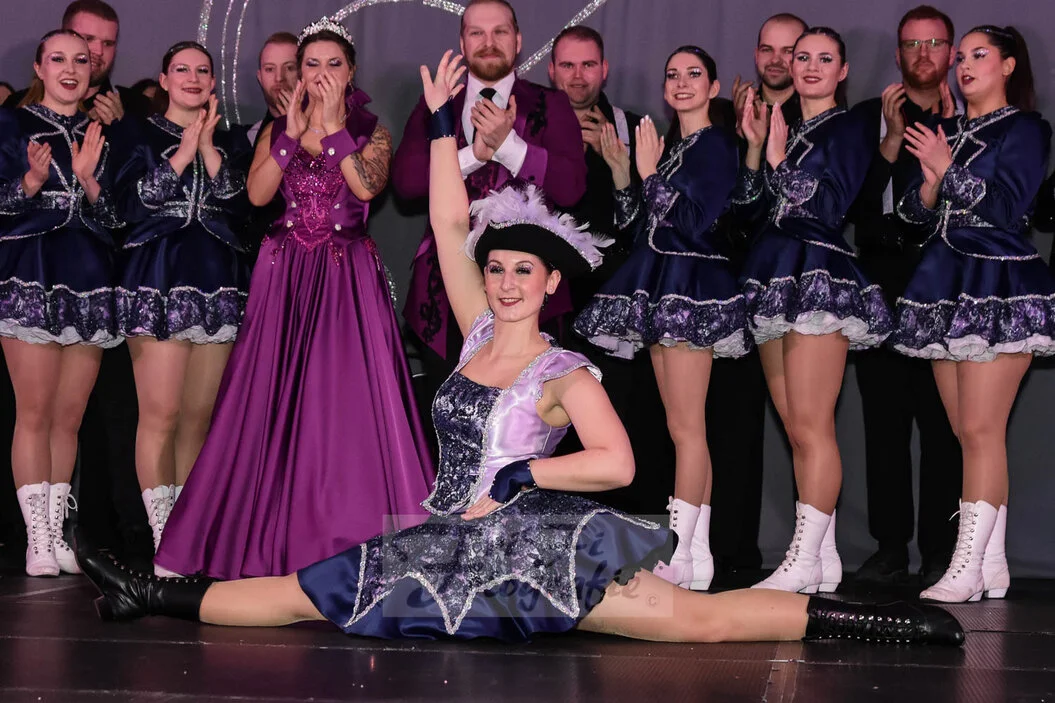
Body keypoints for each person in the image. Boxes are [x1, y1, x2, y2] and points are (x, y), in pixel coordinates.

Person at [75, 51, 964, 650]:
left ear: (547, 287)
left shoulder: (561, 371)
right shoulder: (473, 335)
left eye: (519, 274)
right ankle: (146, 591)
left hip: (537, 550)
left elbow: (616, 463)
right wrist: (439, 125)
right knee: (304, 591)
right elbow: (447, 222)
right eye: (495, 269)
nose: (501, 283)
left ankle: (877, 623)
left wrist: (526, 477)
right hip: (441, 541)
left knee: (693, 623)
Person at [153, 19, 434, 579]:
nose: (322, 74)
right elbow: (258, 194)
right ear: (299, 73)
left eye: (334, 64)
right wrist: (291, 134)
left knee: (344, 402)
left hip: (345, 276)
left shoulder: (372, 130)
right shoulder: (278, 127)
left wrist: (332, 131)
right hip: (284, 273)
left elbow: (367, 186)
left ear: (351, 72)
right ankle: (246, 540)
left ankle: (346, 537)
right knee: (265, 398)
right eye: (312, 64)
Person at [575, 46, 747, 592]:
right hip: (661, 283)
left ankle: (682, 550)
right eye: (673, 74)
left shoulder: (718, 143)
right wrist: (626, 174)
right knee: (681, 427)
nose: (682, 82)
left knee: (687, 427)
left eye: (694, 74)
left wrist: (648, 171)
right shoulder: (675, 149)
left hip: (691, 288)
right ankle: (694, 555)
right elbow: (641, 228)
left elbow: (693, 222)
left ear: (713, 87)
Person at [893, 25, 1055, 603]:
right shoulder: (948, 131)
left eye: (978, 55)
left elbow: (1010, 209)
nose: (963, 65)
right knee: (967, 432)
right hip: (942, 284)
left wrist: (947, 169)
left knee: (982, 430)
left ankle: (965, 566)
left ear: (1008, 66)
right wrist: (930, 184)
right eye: (959, 56)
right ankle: (991, 564)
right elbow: (912, 215)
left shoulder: (1026, 128)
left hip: (997, 282)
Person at [733, 27, 890, 594]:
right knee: (796, 429)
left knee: (813, 425)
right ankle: (821, 560)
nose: (811, 66)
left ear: (843, 71)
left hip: (818, 272)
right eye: (803, 57)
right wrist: (758, 149)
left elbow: (825, 206)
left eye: (825, 59)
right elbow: (749, 210)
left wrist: (777, 159)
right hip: (772, 273)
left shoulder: (851, 125)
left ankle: (803, 557)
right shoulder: (787, 126)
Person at [392, 0, 587, 428]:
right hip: (443, 297)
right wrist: (472, 156)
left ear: (518, 41)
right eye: (476, 33)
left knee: (523, 423)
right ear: (462, 43)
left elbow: (572, 187)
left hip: (530, 298)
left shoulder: (550, 104)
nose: (489, 42)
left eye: (500, 32)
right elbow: (405, 184)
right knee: (446, 423)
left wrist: (509, 148)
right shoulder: (437, 104)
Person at [111, 42, 252, 572]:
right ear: (164, 79)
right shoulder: (136, 132)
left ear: (212, 83)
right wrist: (182, 153)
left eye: (202, 71)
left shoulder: (232, 139)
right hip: (157, 282)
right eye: (182, 70)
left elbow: (242, 207)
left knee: (198, 419)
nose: (192, 78)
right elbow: (129, 205)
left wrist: (208, 147)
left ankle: (187, 538)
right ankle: (162, 538)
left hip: (216, 286)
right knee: (161, 414)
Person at [0, 29, 122, 576]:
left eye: (81, 60)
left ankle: (56, 532)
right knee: (34, 411)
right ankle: (37, 539)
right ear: (39, 67)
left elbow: (119, 219)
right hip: (32, 274)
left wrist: (90, 180)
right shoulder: (11, 125)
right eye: (58, 59)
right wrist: (29, 181)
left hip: (90, 279)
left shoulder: (103, 133)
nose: (70, 69)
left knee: (68, 419)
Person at [849, 5, 962, 587]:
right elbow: (857, 211)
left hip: (949, 290)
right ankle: (891, 547)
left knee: (947, 428)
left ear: (952, 53)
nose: (923, 53)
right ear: (897, 55)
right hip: (884, 289)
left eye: (934, 43)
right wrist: (891, 140)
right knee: (885, 427)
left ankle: (942, 552)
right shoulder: (868, 118)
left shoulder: (974, 119)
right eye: (913, 44)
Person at [546, 25, 672, 516]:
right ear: (552, 71)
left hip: (621, 304)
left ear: (605, 69)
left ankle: (637, 531)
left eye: (588, 65)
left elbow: (660, 226)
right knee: (556, 425)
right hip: (550, 304)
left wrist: (619, 171)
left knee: (630, 422)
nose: (578, 76)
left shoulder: (637, 129)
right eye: (568, 65)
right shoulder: (530, 132)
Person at [3, 0, 151, 122]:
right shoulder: (16, 107)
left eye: (108, 43)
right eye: (88, 38)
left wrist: (124, 127)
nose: (99, 51)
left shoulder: (137, 107)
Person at [247, 32, 298, 146]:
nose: (279, 77)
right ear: (260, 78)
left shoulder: (327, 131)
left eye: (289, 68)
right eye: (270, 69)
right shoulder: (250, 139)